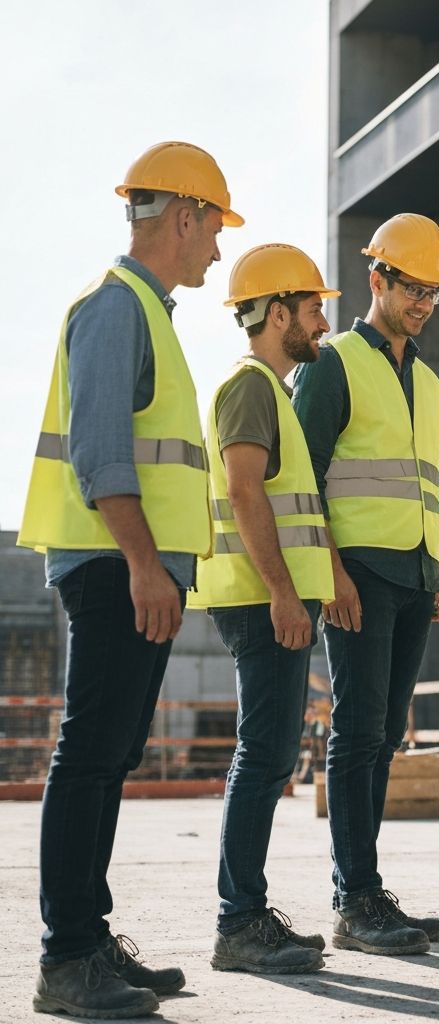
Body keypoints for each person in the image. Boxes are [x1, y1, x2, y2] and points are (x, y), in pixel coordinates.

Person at [18, 142, 242, 1019]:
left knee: (108, 756)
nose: (219, 249)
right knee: (88, 756)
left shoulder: (144, 312)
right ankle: (66, 956)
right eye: (216, 227)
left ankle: (89, 937)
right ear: (184, 217)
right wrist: (147, 565)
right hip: (116, 566)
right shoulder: (116, 311)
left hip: (131, 566)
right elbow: (104, 455)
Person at [293, 213, 439, 956]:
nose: (423, 301)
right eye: (413, 287)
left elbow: (432, 485)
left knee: (386, 735)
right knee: (358, 732)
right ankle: (355, 900)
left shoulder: (426, 379)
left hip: (416, 573)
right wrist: (328, 573)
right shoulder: (332, 363)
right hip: (357, 571)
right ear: (377, 280)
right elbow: (301, 478)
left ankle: (365, 891)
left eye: (434, 291)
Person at [188, 244, 340, 975]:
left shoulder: (271, 390)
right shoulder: (250, 387)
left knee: (271, 755)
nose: (321, 321)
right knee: (263, 759)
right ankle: (239, 921)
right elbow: (247, 494)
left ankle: (245, 913)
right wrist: (284, 591)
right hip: (261, 600)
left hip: (273, 597)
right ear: (277, 312)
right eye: (312, 308)